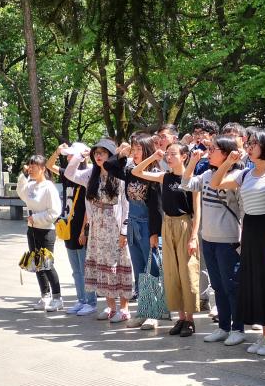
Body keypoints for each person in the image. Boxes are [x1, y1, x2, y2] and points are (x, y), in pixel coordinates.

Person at [210, 128, 265, 356]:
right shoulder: (245, 173)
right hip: (251, 231)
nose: (249, 147)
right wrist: (229, 162)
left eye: (254, 143)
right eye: (249, 143)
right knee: (258, 284)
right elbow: (216, 183)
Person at [183, 135, 246, 346]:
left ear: (227, 154)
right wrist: (193, 160)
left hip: (228, 239)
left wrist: (243, 238)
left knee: (232, 286)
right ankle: (223, 327)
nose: (209, 153)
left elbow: (243, 209)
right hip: (208, 238)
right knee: (218, 286)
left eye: (214, 150)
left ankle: (238, 328)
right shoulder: (207, 174)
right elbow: (186, 183)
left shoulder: (237, 177)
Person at [132, 143, 201, 336]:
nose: (168, 157)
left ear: (184, 156)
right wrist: (153, 157)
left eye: (173, 154)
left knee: (187, 272)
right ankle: (180, 317)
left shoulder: (192, 179)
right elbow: (137, 172)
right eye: (167, 154)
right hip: (167, 224)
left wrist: (194, 237)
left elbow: (197, 211)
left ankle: (190, 319)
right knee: (171, 272)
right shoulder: (165, 176)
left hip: (184, 224)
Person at [63, 139, 134, 322]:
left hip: (114, 226)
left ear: (110, 155)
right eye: (96, 153)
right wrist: (80, 155)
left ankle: (124, 308)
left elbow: (126, 205)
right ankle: (110, 307)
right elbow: (69, 173)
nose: (98, 156)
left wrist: (124, 231)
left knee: (119, 266)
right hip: (97, 228)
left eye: (103, 152)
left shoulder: (119, 174)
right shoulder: (90, 174)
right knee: (102, 267)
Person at [106, 134, 162, 327]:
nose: (135, 153)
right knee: (139, 270)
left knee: (152, 269)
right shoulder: (130, 171)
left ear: (148, 151)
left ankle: (154, 313)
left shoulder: (154, 174)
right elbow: (110, 166)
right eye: (134, 149)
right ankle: (143, 311)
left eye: (139, 149)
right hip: (133, 224)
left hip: (148, 225)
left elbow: (157, 208)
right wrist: (122, 153)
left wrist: (155, 233)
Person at [51, 144, 97, 316]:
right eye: (68, 155)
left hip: (81, 229)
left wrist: (84, 230)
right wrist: (57, 151)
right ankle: (81, 300)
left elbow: (88, 207)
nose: (68, 158)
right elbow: (49, 166)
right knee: (76, 270)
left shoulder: (87, 176)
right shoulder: (67, 176)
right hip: (68, 228)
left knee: (85, 269)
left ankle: (91, 302)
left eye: (72, 155)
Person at [16, 154, 64, 312]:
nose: (30, 169)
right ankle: (45, 296)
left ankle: (57, 298)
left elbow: (55, 211)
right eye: (29, 166)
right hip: (32, 230)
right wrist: (23, 176)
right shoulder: (30, 185)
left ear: (43, 169)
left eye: (34, 167)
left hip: (46, 231)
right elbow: (21, 193)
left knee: (47, 265)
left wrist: (36, 218)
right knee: (37, 265)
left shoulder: (49, 187)